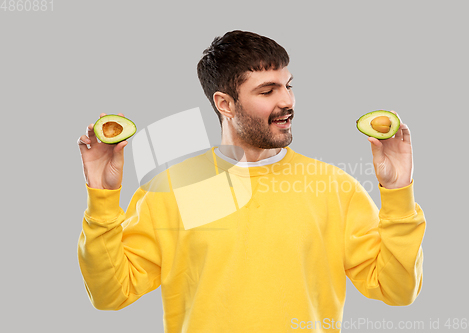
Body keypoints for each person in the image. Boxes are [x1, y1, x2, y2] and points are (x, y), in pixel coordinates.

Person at [77, 30, 425, 332]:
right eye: (267, 91)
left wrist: (397, 194)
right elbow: (111, 295)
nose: (287, 101)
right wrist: (103, 200)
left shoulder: (335, 188)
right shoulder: (170, 189)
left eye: (288, 86)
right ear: (225, 104)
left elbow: (397, 291)